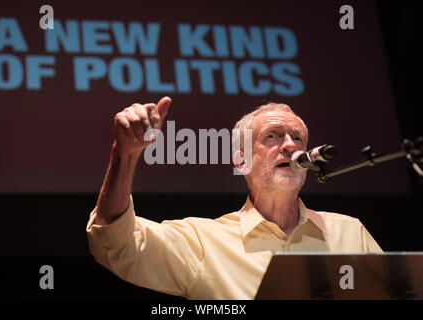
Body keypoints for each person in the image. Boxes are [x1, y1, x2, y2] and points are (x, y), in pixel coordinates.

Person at [86, 96, 382, 299]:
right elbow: (116, 244)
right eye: (273, 136)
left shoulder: (350, 233)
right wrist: (124, 155)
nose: (290, 146)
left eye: (298, 138)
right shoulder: (203, 243)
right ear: (241, 162)